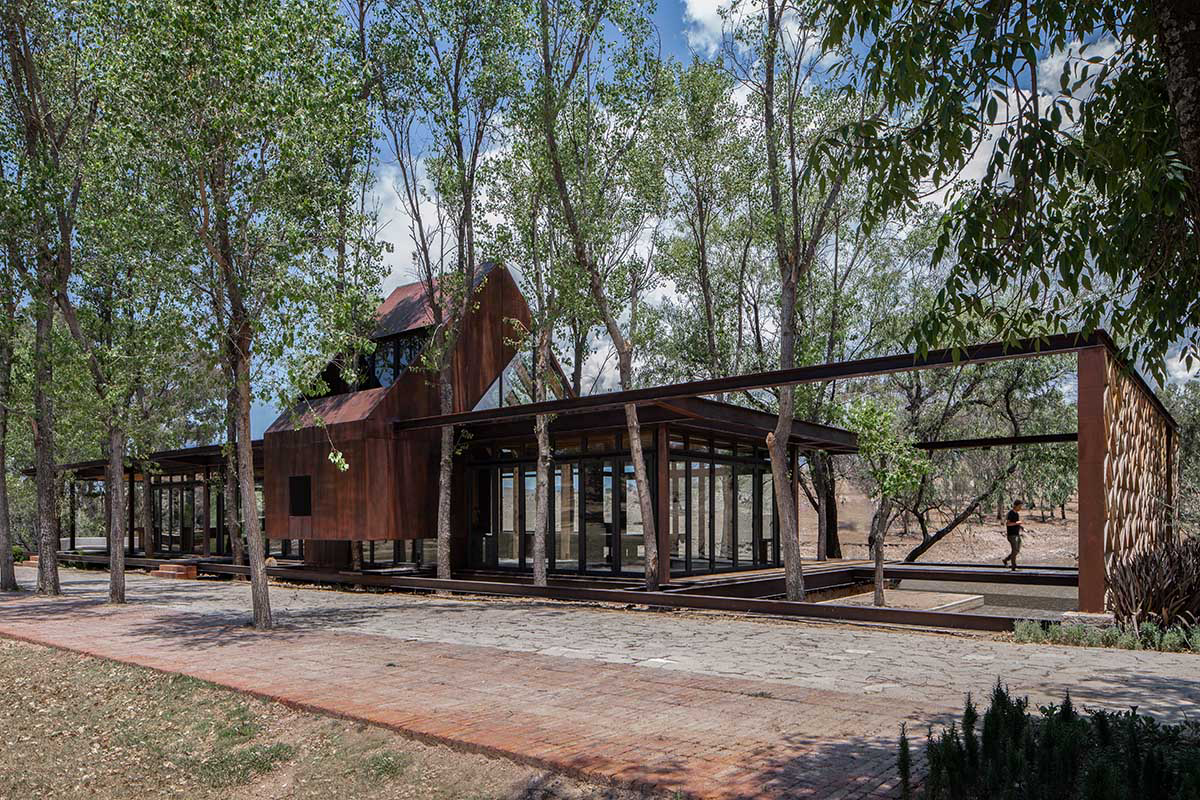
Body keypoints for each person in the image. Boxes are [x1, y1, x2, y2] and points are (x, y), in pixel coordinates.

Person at [1002, 500, 1024, 570]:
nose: (1020, 508)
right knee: (1014, 550)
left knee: (1017, 550)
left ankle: (1006, 560)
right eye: (1020, 506)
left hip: (1017, 534)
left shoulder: (1017, 514)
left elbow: (1016, 522)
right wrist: (1017, 523)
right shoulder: (1010, 513)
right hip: (1011, 535)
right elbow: (1008, 524)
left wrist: (1021, 527)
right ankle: (1013, 567)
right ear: (1016, 506)